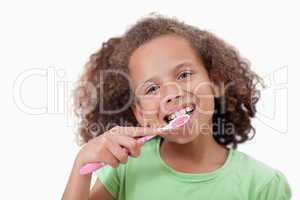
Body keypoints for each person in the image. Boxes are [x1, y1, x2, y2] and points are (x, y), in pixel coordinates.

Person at [62, 14, 292, 199]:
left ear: (216, 83)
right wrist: (81, 163)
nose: (172, 94)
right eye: (152, 89)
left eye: (183, 74)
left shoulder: (263, 185)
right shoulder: (125, 169)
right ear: (140, 113)